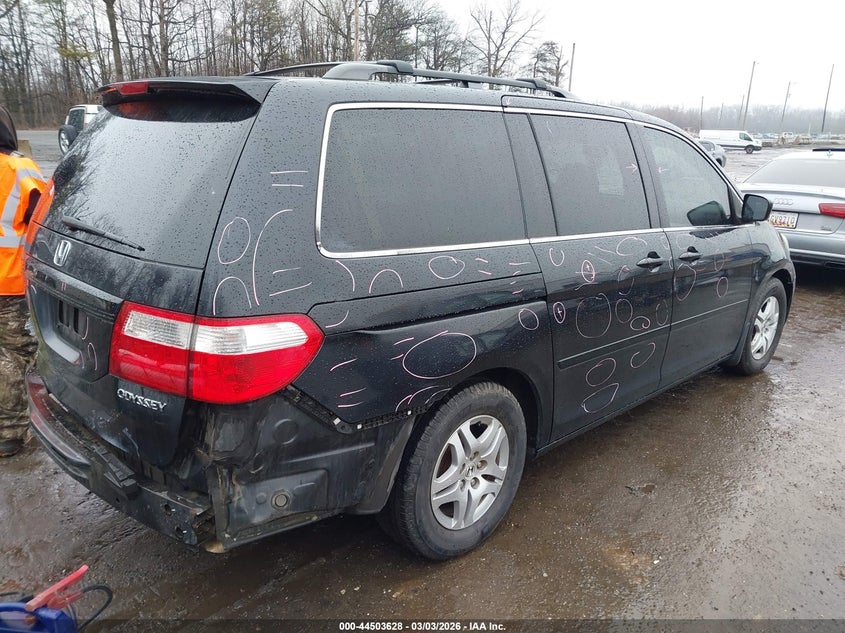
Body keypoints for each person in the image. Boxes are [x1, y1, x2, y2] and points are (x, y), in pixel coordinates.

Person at [0, 105, 46, 457]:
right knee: (17, 355)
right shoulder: (19, 168)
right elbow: (45, 215)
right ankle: (13, 431)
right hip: (10, 280)